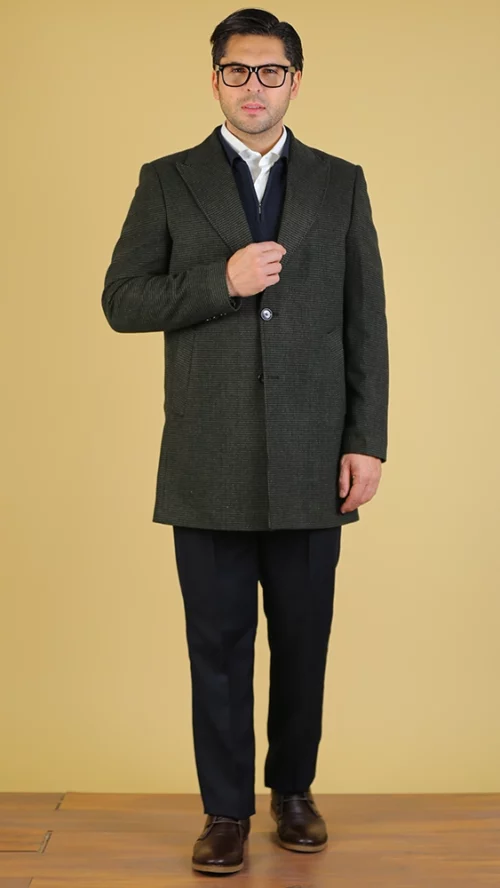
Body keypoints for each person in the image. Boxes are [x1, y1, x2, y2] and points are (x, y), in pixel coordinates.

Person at [101, 7, 389, 876]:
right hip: (208, 457)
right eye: (237, 71)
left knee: (303, 641)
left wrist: (366, 440)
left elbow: (364, 322)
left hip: (312, 458)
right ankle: (224, 812)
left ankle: (293, 793)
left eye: (270, 71)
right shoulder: (167, 180)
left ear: (295, 80)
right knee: (218, 647)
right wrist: (219, 281)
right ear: (215, 79)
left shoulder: (341, 182)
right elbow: (122, 301)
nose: (253, 86)